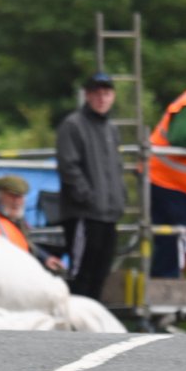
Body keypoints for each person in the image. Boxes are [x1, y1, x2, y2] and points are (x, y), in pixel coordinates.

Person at [56, 72, 126, 300]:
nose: (102, 98)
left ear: (112, 96)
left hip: (108, 214)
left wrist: (119, 199)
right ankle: (76, 331)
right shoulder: (73, 125)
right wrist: (87, 197)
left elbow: (116, 168)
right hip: (84, 214)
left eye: (106, 93)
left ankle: (93, 330)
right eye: (96, 93)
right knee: (81, 273)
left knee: (101, 273)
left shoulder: (111, 129)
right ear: (87, 95)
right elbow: (69, 166)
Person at [0, 175, 64, 273]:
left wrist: (45, 258)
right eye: (12, 196)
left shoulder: (10, 215)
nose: (17, 201)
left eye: (20, 196)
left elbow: (24, 243)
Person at [149, 88, 186, 278]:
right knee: (172, 239)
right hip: (165, 180)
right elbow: (179, 137)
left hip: (173, 183)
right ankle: (166, 286)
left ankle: (167, 283)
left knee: (173, 239)